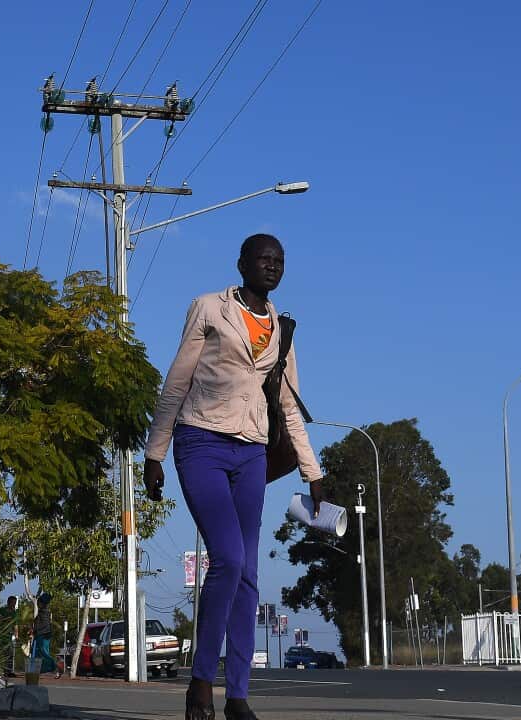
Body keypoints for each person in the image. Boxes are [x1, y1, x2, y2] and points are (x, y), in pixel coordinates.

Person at [143, 234, 327, 720]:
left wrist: (313, 472)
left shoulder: (282, 331)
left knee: (247, 572)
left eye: (280, 261)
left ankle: (239, 695)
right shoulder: (208, 308)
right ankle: (202, 681)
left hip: (251, 453)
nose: (272, 267)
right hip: (199, 442)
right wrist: (154, 451)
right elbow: (177, 379)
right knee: (226, 556)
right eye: (264, 259)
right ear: (242, 263)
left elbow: (288, 406)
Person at [30, 592, 57, 676]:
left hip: (42, 635)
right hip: (44, 635)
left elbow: (41, 625)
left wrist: (35, 631)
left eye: (39, 603)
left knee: (42, 652)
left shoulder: (43, 613)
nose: (38, 604)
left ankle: (54, 665)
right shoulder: (46, 612)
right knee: (41, 653)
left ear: (42, 603)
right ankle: (40, 669)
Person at [0, 595, 20, 675]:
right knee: (0, 653)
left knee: (10, 654)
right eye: (12, 603)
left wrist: (16, 635)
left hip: (9, 636)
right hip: (0, 635)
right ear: (8, 602)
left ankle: (9, 671)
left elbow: (15, 625)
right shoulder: (1, 610)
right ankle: (0, 670)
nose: (13, 605)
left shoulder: (14, 613)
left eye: (15, 603)